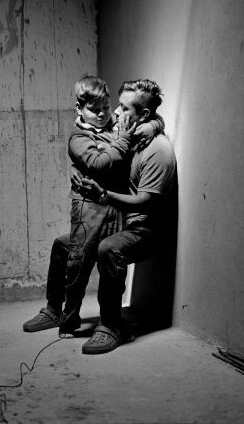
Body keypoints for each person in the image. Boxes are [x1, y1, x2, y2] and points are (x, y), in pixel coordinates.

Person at [23, 76, 164, 335]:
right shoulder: (79, 136)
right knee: (70, 253)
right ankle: (57, 311)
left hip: (114, 210)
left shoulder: (115, 125)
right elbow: (99, 163)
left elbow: (146, 117)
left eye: (106, 108)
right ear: (79, 109)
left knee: (88, 253)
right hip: (91, 207)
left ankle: (94, 321)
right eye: (93, 109)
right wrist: (124, 139)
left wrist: (155, 124)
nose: (102, 114)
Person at [75, 79, 177, 355]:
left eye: (123, 107)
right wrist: (156, 122)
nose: (116, 114)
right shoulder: (133, 132)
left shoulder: (159, 151)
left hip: (149, 228)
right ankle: (58, 313)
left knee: (109, 248)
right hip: (125, 218)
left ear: (143, 114)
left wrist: (104, 196)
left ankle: (111, 326)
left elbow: (145, 203)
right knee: (72, 241)